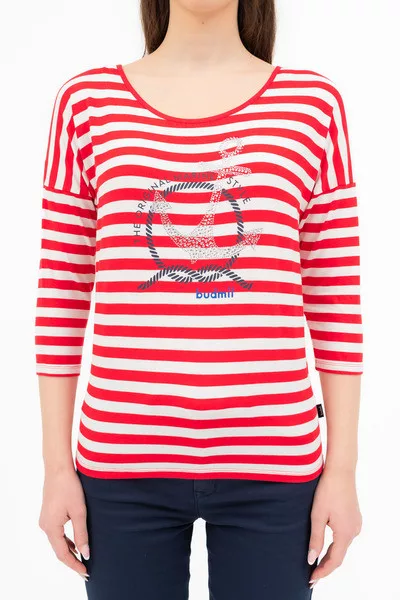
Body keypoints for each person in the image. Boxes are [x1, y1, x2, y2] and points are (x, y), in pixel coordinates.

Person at [34, 1, 363, 598]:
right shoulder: (87, 105)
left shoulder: (312, 106)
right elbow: (62, 292)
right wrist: (57, 468)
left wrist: (342, 471)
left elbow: (335, 297)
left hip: (275, 467)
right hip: (121, 465)